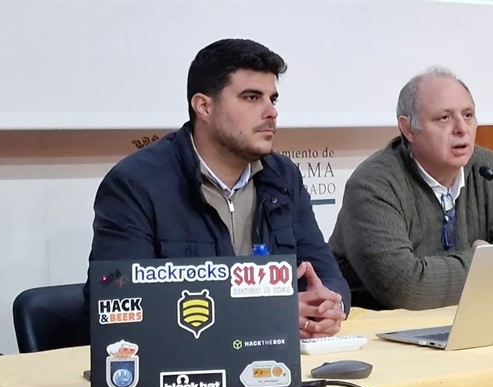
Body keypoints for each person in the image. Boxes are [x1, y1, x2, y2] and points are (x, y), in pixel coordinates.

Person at [83, 38, 349, 341]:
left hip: (275, 355)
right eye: (252, 97)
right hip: (185, 358)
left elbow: (325, 273)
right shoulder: (136, 184)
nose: (271, 112)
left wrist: (329, 306)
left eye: (273, 99)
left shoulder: (283, 176)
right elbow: (117, 301)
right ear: (204, 107)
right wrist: (266, 315)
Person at [329, 66, 493, 311]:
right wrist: (486, 260)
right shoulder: (373, 185)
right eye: (444, 118)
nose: (461, 128)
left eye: (468, 115)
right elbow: (405, 289)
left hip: (473, 319)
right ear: (408, 129)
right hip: (385, 327)